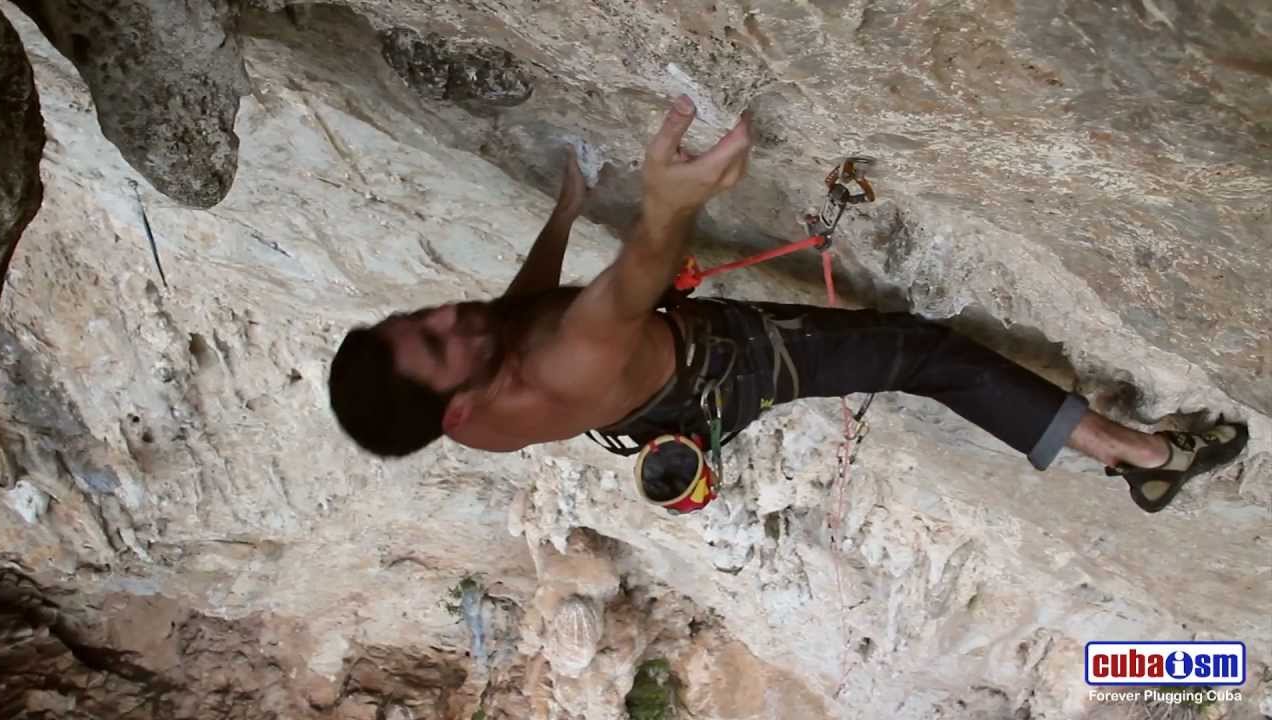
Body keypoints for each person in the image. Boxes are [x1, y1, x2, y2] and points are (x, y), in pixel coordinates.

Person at [328, 95, 1247, 514]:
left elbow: (513, 310)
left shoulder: (467, 411)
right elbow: (637, 273)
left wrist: (567, 207)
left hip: (658, 393)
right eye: (438, 342)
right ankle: (1150, 458)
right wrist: (671, 198)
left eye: (425, 318)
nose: (451, 316)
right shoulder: (562, 364)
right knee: (928, 356)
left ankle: (1133, 453)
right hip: (732, 364)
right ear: (454, 403)